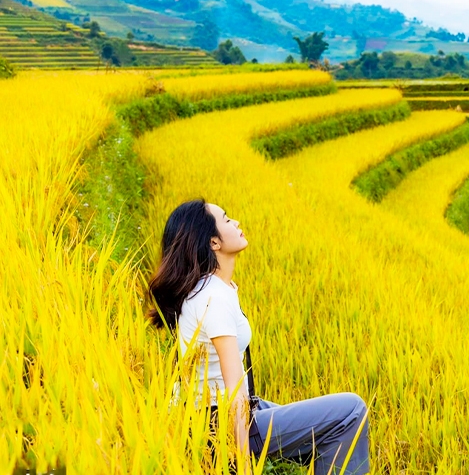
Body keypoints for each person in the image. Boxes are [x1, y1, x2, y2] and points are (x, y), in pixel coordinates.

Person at [146, 199, 370, 474]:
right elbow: (234, 390)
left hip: (224, 413)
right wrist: (242, 466)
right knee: (351, 411)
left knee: (328, 426)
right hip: (217, 425)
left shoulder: (215, 287)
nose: (236, 222)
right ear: (213, 242)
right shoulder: (212, 297)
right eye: (226, 220)